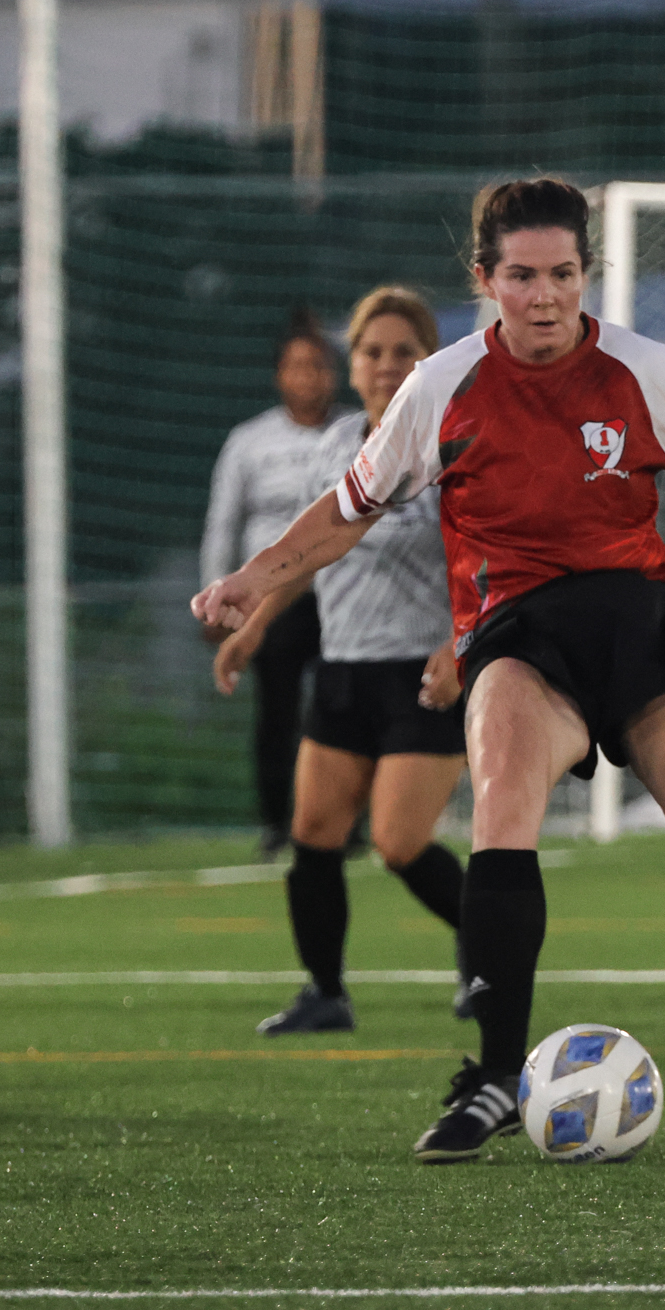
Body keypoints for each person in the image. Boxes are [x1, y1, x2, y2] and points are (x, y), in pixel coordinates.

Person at [194, 179, 665, 1164]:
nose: (544, 297)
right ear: (484, 279)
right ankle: (498, 1079)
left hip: (644, 638)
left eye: (563, 275)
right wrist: (250, 578)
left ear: (587, 273)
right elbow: (348, 508)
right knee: (500, 811)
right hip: (517, 643)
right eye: (522, 277)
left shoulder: (643, 372)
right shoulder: (441, 384)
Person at [214, 286, 472, 1036]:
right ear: (350, 365)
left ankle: (484, 948)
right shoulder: (334, 448)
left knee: (397, 842)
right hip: (344, 666)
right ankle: (325, 992)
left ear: (432, 364)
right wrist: (253, 626)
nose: (387, 366)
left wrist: (461, 643)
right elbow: (309, 549)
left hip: (422, 674)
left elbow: (486, 560)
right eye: (372, 352)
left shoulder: (452, 444)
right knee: (315, 829)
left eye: (405, 352)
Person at [201, 308, 350, 858]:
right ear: (279, 375)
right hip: (272, 604)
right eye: (296, 366)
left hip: (341, 595)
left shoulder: (353, 435)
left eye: (318, 366)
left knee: (341, 708)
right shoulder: (249, 442)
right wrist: (217, 598)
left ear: (335, 374)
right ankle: (275, 822)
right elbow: (223, 522)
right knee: (277, 713)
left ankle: (345, 823)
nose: (307, 377)